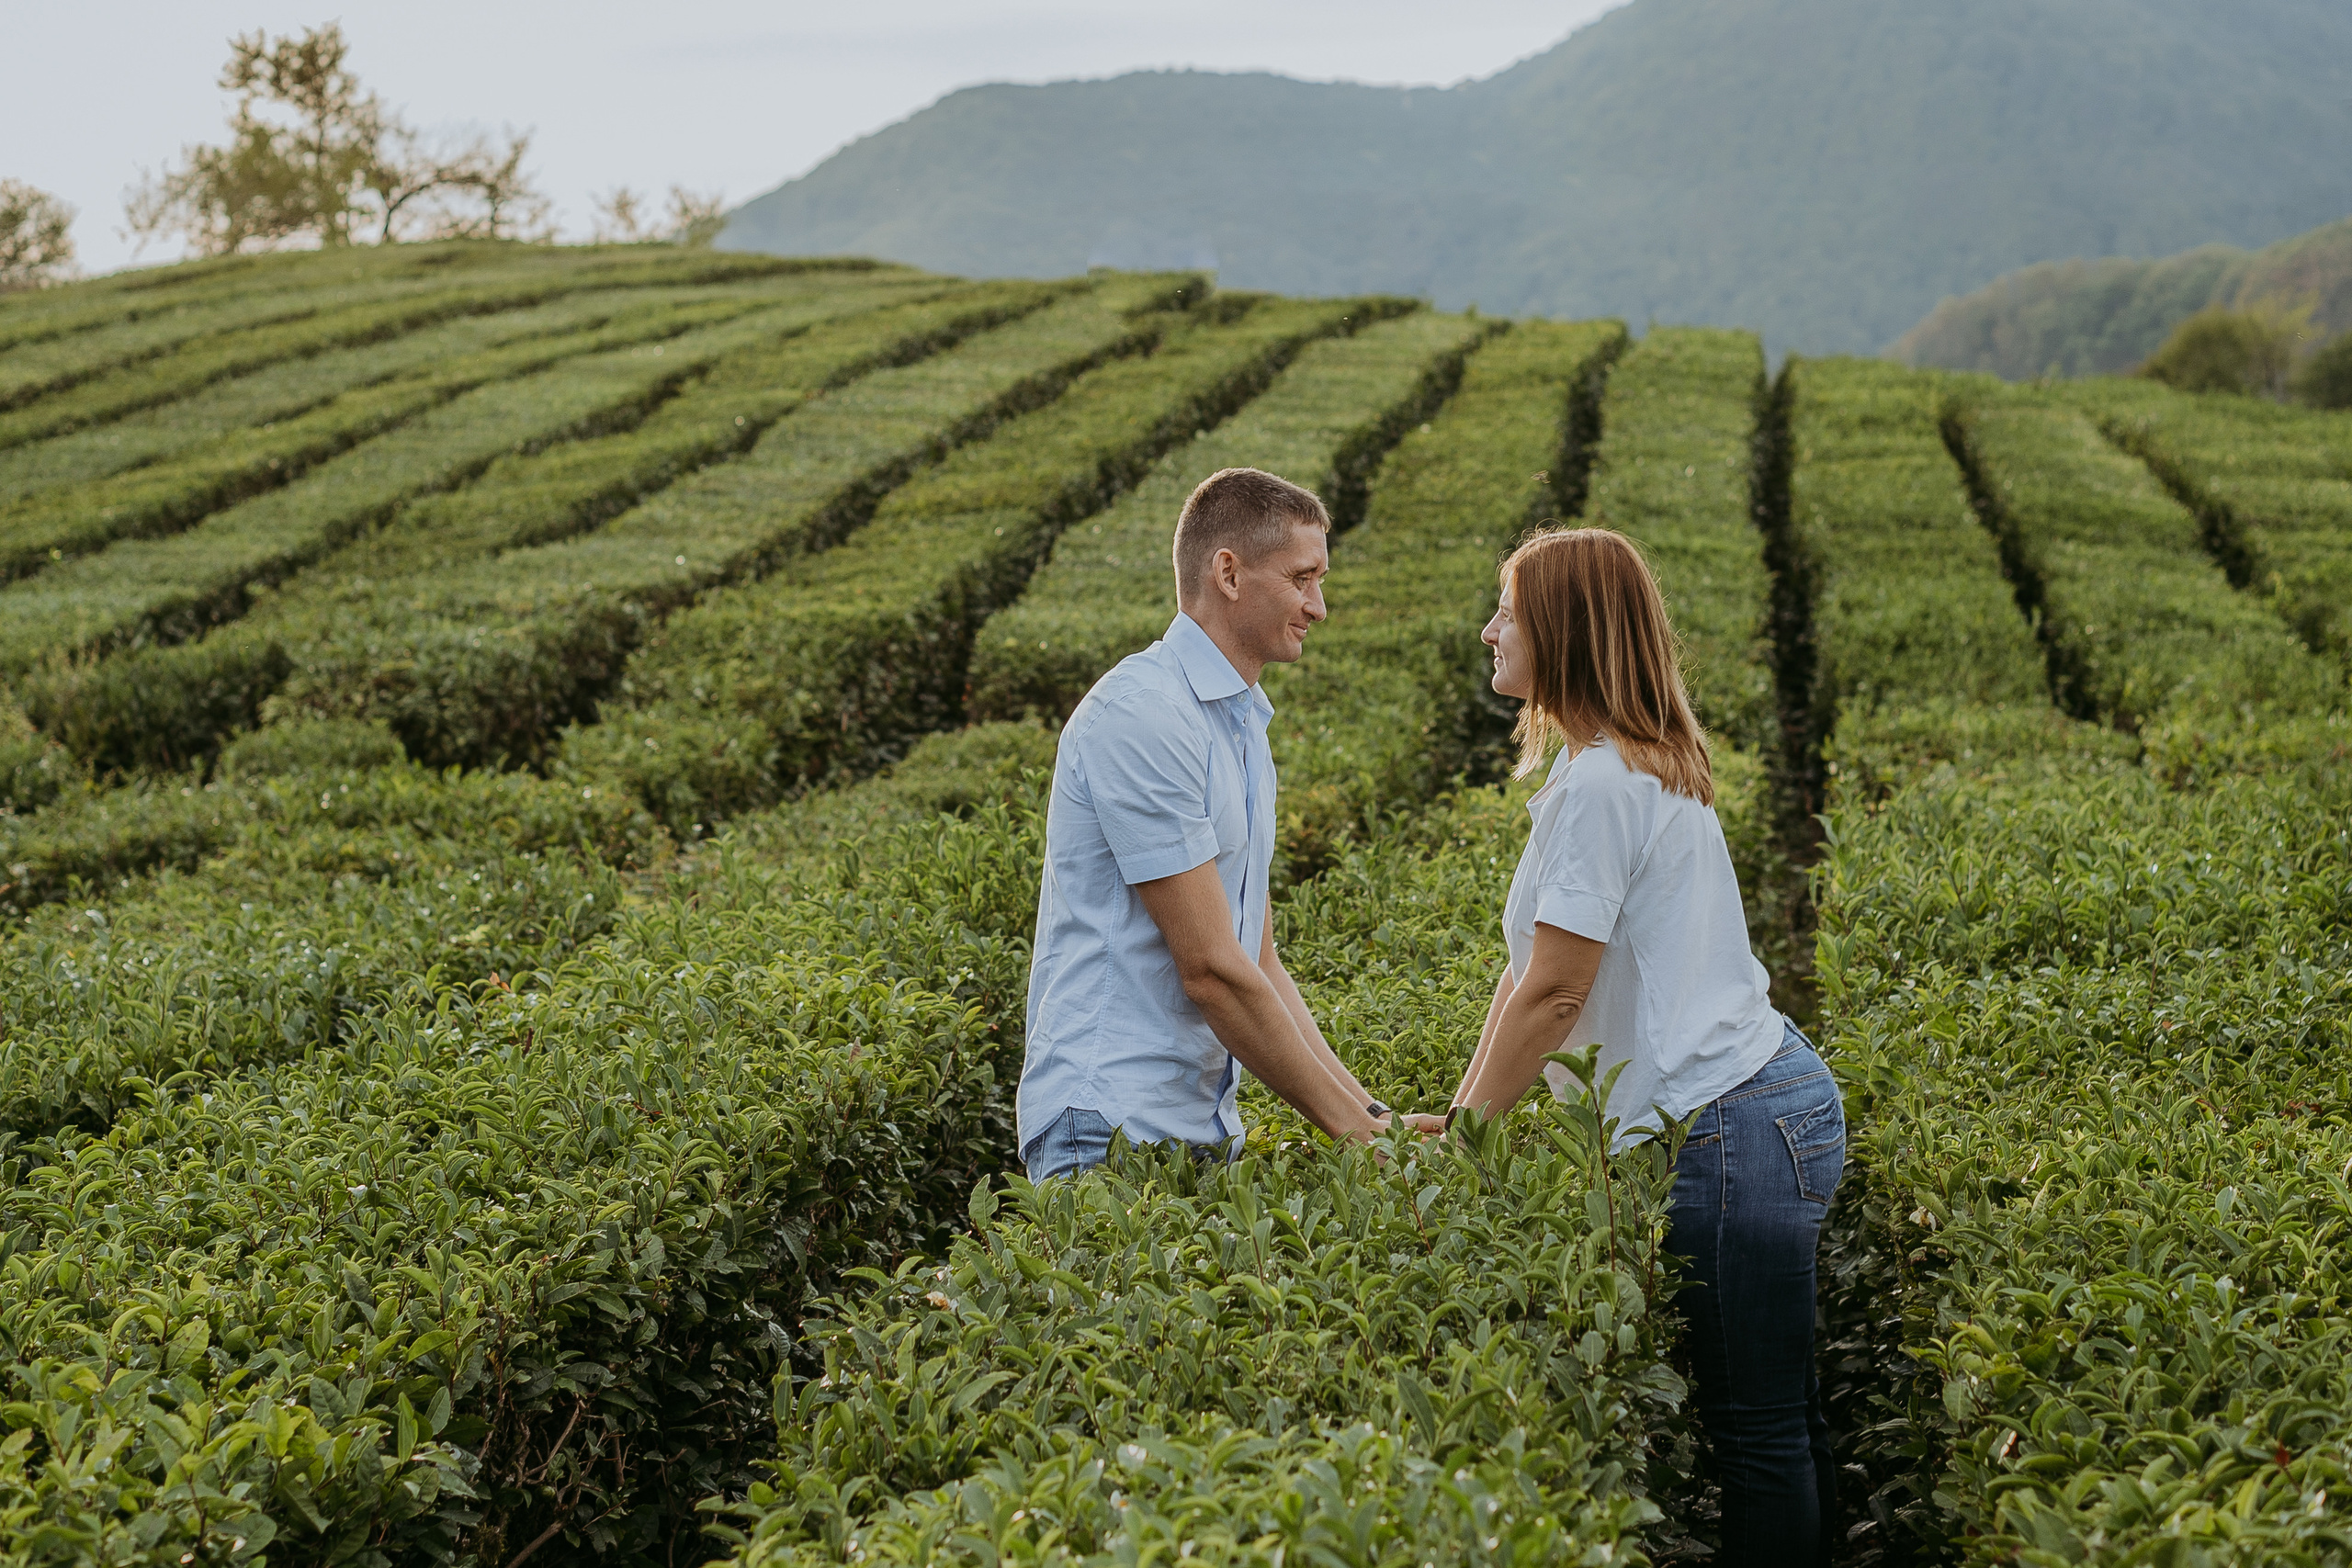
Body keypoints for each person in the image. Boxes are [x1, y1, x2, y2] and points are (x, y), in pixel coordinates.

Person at [1442, 526, 1845, 1568]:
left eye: (1507, 612)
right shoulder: (1615, 765)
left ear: (1563, 632)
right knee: (1778, 1417)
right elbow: (1526, 976)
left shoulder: (1602, 787)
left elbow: (1557, 991)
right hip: (1759, 1106)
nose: (1489, 631)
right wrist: (1459, 1118)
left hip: (1730, 1129)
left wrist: (1466, 1142)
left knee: (1755, 1431)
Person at [1017, 466, 1402, 1182]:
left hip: (1199, 1132)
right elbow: (1212, 970)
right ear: (1228, 573)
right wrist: (1357, 1133)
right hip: (1106, 1132)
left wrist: (1378, 1119)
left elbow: (1257, 960)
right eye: (1302, 579)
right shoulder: (1145, 714)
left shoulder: (1241, 725)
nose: (1318, 606)